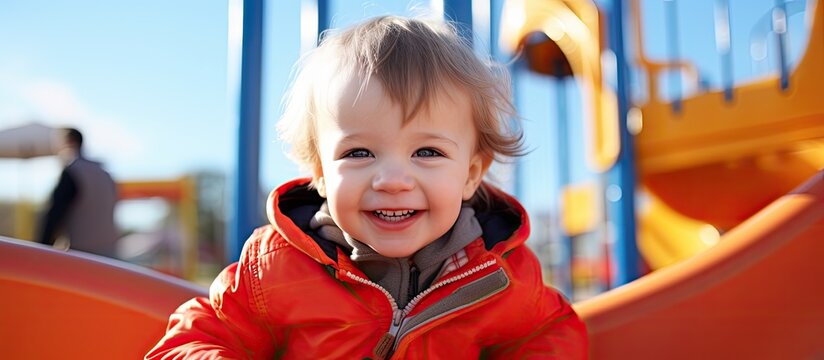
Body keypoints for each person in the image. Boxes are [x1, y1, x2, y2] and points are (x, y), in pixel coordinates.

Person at [147, 16, 587, 359]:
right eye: (359, 153)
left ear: (471, 173)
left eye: (427, 152)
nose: (392, 180)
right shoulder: (274, 269)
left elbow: (548, 332)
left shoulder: (500, 274)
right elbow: (197, 337)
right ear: (320, 171)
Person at [36, 127, 119, 258]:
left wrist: (40, 251)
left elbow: (54, 214)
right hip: (110, 254)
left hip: (81, 254)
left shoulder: (73, 172)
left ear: (69, 142)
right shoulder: (105, 174)